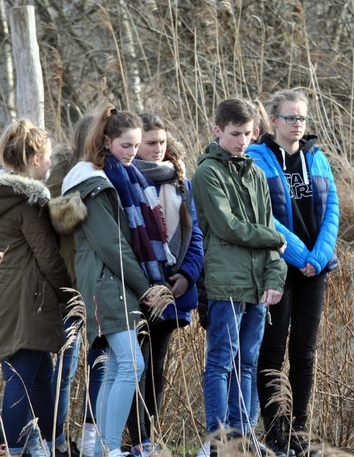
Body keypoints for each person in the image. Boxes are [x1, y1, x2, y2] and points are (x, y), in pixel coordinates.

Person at [53, 105, 166, 457]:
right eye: (125, 145)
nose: (132, 153)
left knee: (119, 365)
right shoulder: (94, 184)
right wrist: (146, 287)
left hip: (116, 284)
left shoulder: (114, 178)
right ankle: (108, 446)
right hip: (107, 282)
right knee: (133, 364)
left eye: (136, 146)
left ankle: (100, 449)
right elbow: (112, 245)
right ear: (106, 141)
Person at [246, 89, 339, 457]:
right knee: (272, 352)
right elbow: (260, 213)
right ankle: (276, 435)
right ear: (273, 121)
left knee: (305, 351)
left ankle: (300, 432)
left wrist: (319, 255)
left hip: (314, 269)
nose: (298, 124)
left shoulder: (317, 158)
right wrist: (299, 254)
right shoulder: (257, 159)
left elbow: (332, 207)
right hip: (277, 268)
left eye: (302, 118)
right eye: (290, 118)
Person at [192, 98, 287, 456]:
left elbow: (271, 237)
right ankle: (219, 440)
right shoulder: (207, 174)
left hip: (258, 283)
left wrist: (275, 278)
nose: (242, 140)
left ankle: (244, 438)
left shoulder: (257, 173)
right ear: (218, 131)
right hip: (225, 281)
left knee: (248, 362)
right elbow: (227, 227)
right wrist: (275, 238)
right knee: (221, 361)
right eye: (235, 134)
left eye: (248, 133)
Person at [126, 113, 204, 457]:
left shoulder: (180, 180)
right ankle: (135, 438)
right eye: (150, 143)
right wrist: (150, 284)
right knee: (133, 365)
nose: (158, 149)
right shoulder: (122, 178)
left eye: (162, 142)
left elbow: (195, 234)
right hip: (138, 288)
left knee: (156, 366)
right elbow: (126, 241)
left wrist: (187, 275)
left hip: (174, 289)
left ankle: (149, 437)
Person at [0, 120, 71, 457]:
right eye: (46, 157)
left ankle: (50, 444)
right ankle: (15, 449)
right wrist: (69, 295)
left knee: (40, 373)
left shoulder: (5, 198)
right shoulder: (27, 202)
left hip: (8, 294)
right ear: (31, 159)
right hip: (29, 298)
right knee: (23, 375)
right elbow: (47, 256)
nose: (50, 164)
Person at [47, 113, 97, 457]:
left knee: (102, 362)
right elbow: (51, 219)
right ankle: (56, 437)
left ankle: (94, 437)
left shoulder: (111, 169)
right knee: (66, 363)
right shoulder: (63, 171)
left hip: (102, 281)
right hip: (70, 283)